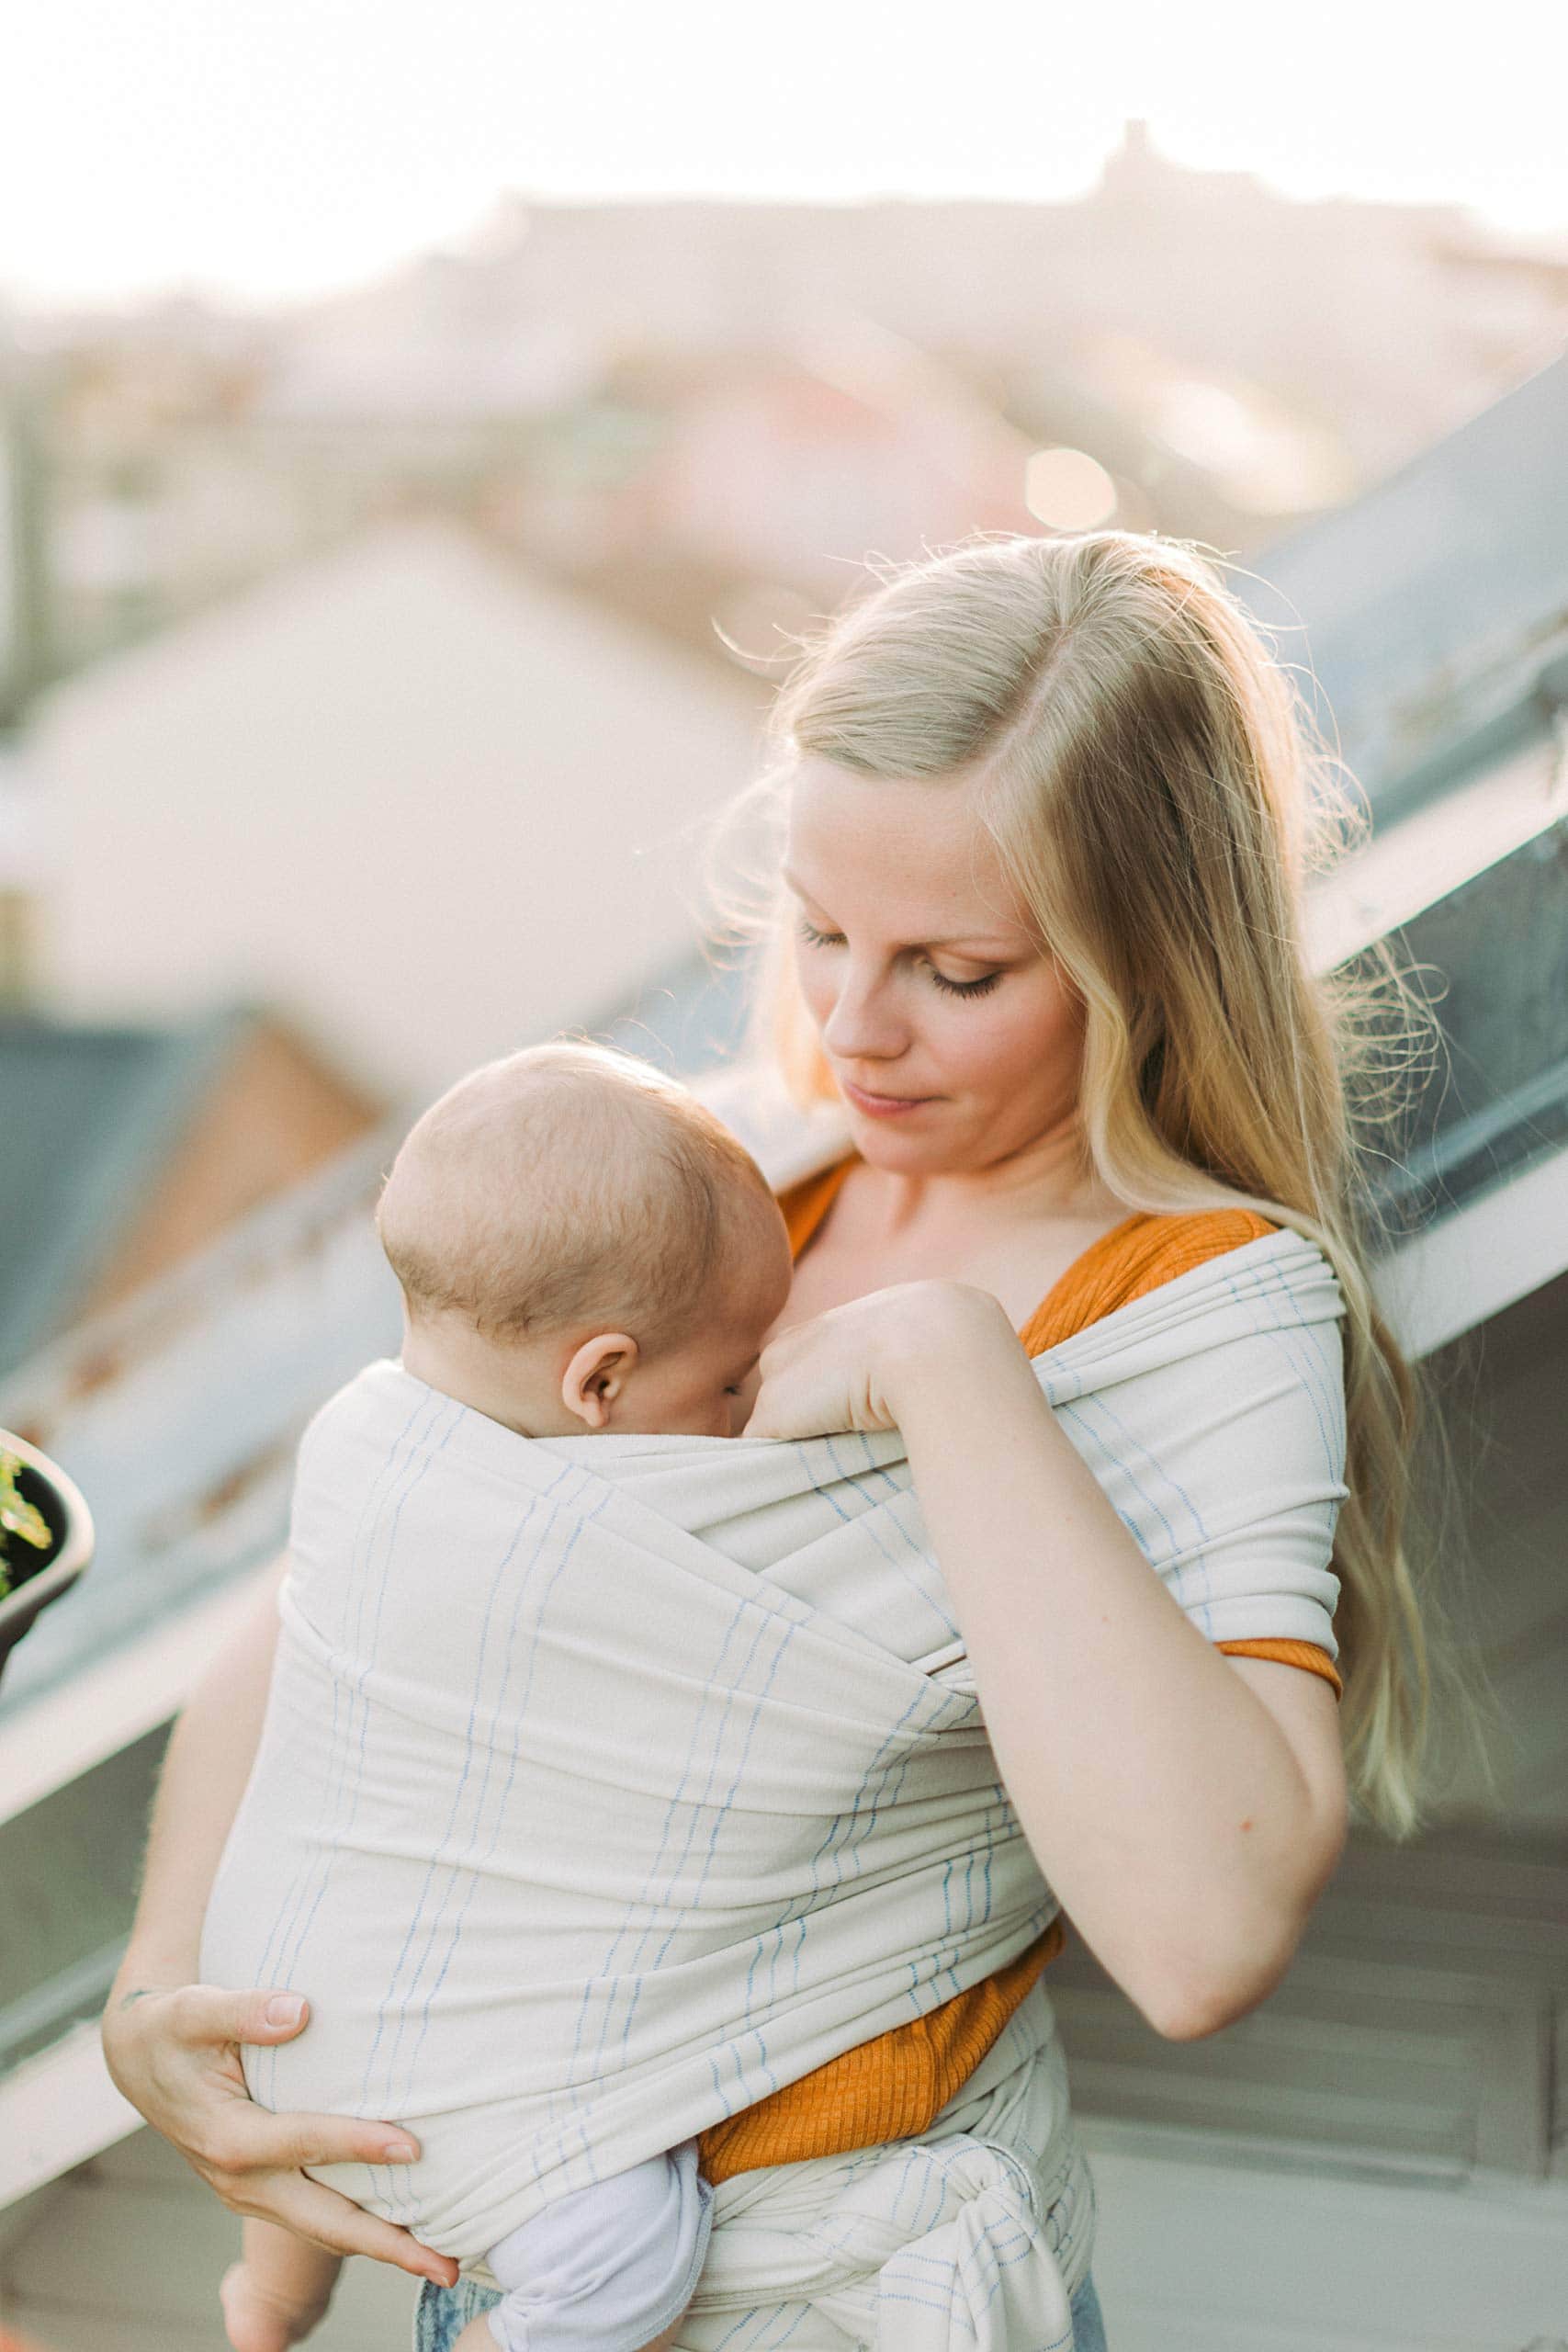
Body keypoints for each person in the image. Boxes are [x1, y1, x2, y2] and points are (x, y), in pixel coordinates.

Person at [104, 529, 1435, 2352]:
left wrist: (949, 1375)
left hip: (817, 2292)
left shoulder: (1202, 1311)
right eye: (816, 928)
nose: (851, 1027)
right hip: (493, 2241)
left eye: (953, 968)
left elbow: (1200, 1932)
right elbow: (365, 1580)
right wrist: (162, 1988)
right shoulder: (735, 1187)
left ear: (1146, 954)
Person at [202, 1039, 795, 2352]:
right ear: (599, 1383)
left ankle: (269, 2300)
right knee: (631, 2254)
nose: (752, 1412)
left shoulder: (361, 1444)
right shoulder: (575, 1550)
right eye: (734, 1380)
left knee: (313, 2043)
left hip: (275, 1993)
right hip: (459, 2054)